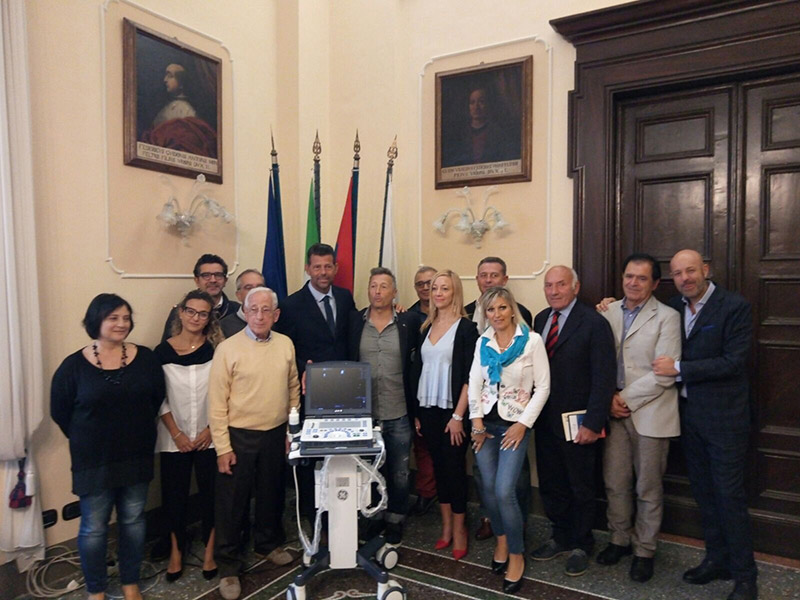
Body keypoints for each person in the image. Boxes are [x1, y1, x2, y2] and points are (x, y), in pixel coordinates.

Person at [652, 249, 757, 600]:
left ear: (706, 270)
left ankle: (746, 577)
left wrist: (680, 370)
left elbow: (733, 362)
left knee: (729, 497)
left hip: (726, 420)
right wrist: (609, 305)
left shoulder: (734, 306)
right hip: (689, 417)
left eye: (691, 271)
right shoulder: (674, 307)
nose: (685, 278)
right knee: (704, 494)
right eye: (678, 273)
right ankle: (717, 560)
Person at [51, 294, 165, 600]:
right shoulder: (73, 366)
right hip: (93, 460)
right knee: (94, 527)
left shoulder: (146, 359)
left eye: (126, 318)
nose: (121, 324)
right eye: (113, 317)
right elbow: (60, 411)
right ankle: (96, 589)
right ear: (96, 320)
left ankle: (130, 582)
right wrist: (87, 437)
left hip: (136, 455)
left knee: (133, 521)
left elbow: (156, 398)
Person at [209, 287, 300, 600]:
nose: (260, 316)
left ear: (276, 315)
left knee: (271, 493)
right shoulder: (227, 349)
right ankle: (229, 567)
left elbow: (293, 389)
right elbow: (216, 403)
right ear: (245, 313)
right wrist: (223, 448)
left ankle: (267, 544)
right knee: (231, 503)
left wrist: (290, 431)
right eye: (254, 310)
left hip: (275, 433)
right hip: (238, 436)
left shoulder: (285, 344)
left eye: (266, 310)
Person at [594, 254, 681, 583]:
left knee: (648, 487)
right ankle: (619, 539)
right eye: (629, 276)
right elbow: (597, 360)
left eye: (642, 278)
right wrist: (608, 400)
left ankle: (645, 550)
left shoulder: (668, 318)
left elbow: (664, 374)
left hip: (651, 411)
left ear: (655, 283)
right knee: (615, 482)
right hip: (613, 411)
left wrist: (623, 399)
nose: (633, 282)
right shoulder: (607, 311)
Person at [530, 266, 616, 577]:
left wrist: (593, 422)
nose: (553, 291)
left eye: (561, 284)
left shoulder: (594, 323)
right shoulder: (541, 320)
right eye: (548, 285)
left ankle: (582, 542)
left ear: (575, 287)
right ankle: (560, 535)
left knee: (581, 484)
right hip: (545, 420)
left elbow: (604, 377)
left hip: (578, 422)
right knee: (552, 481)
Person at [468, 287, 550, 594]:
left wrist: (523, 424)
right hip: (486, 426)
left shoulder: (531, 341)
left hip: (514, 426)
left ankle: (516, 554)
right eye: (491, 310)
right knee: (488, 490)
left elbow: (543, 388)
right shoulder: (483, 342)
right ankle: (501, 540)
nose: (497, 314)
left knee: (504, 491)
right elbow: (474, 383)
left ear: (512, 309)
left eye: (502, 308)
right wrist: (476, 422)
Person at [273, 243, 356, 523]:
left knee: (339, 455)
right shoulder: (290, 305)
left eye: (328, 266)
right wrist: (302, 368)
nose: (323, 272)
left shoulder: (344, 297)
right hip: (309, 395)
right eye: (317, 267)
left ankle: (340, 513)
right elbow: (283, 348)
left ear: (335, 268)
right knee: (310, 459)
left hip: (344, 393)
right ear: (308, 269)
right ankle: (312, 517)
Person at [154, 290, 224, 582]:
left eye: (203, 313)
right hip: (174, 438)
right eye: (191, 311)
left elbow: (224, 393)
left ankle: (209, 552)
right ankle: (176, 552)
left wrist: (210, 429)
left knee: (212, 495)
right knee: (174, 497)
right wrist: (176, 433)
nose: (196, 318)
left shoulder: (217, 350)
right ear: (181, 313)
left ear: (209, 318)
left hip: (211, 436)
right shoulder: (161, 352)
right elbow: (159, 397)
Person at [349, 267, 421, 544]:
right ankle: (373, 516)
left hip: (399, 410)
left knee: (399, 472)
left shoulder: (408, 322)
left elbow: (418, 363)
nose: (377, 292)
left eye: (384, 286)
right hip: (364, 414)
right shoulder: (354, 321)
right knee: (369, 470)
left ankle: (395, 519)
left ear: (394, 292)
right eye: (373, 286)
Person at [464, 256, 533, 541]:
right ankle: (489, 518)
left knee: (516, 474)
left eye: (494, 275)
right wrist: (473, 415)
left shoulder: (521, 313)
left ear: (505, 280)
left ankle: (518, 521)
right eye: (483, 275)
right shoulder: (465, 312)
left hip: (513, 413)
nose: (488, 280)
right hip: (479, 408)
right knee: (483, 471)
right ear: (477, 279)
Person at [412, 269, 479, 561]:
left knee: (454, 471)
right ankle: (446, 526)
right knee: (439, 469)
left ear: (455, 293)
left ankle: (461, 529)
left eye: (445, 288)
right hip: (428, 409)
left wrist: (458, 416)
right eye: (435, 288)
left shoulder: (466, 329)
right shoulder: (425, 327)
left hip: (454, 412)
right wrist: (417, 413)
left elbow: (470, 377)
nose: (438, 293)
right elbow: (418, 371)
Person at [406, 265, 438, 516]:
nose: (426, 288)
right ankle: (427, 493)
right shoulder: (407, 317)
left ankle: (448, 496)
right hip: (418, 390)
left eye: (431, 283)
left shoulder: (456, 315)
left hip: (448, 393)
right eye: (420, 284)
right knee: (423, 445)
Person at [141, 62, 218, 159]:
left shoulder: (186, 110)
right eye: (165, 75)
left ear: (181, 83)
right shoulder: (167, 107)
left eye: (170, 76)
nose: (165, 80)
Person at [161, 254, 239, 342]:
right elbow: (167, 346)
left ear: (225, 281)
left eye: (218, 275)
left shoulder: (237, 311)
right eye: (206, 275)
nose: (213, 280)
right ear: (197, 280)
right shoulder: (180, 311)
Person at [442, 87, 520, 168]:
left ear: (488, 105)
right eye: (472, 102)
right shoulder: (459, 134)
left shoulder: (498, 133)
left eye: (481, 102)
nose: (476, 107)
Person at [219, 269, 265, 338]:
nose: (255, 291)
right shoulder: (224, 326)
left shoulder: (274, 322)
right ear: (239, 295)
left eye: (259, 287)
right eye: (249, 288)